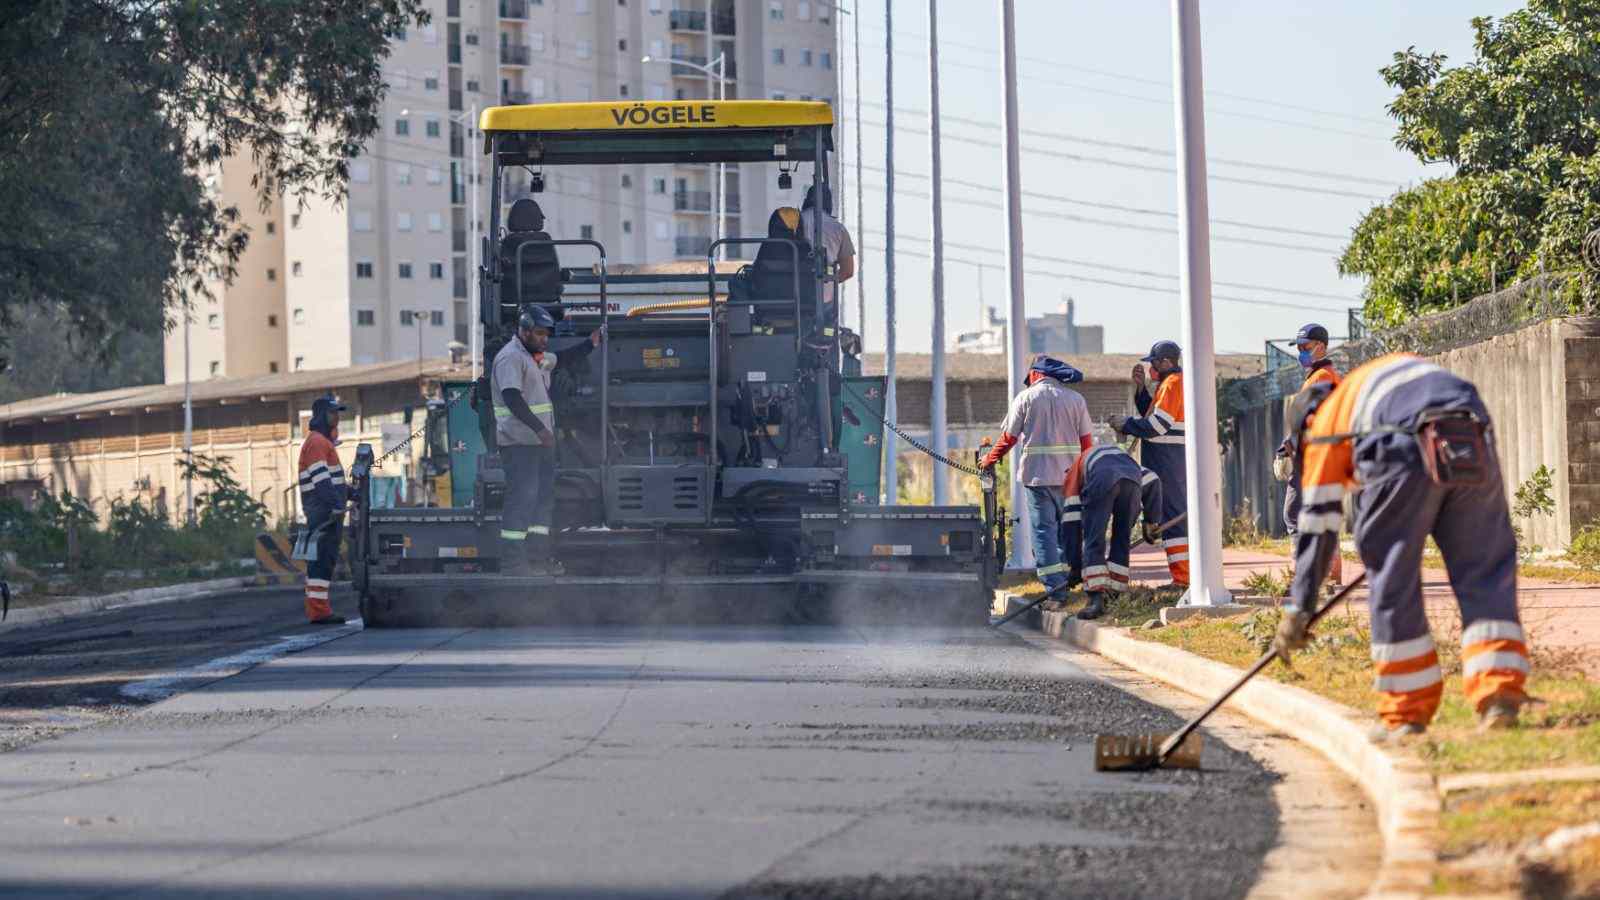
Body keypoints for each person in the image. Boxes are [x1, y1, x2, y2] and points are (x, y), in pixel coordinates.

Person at [1272, 353, 1530, 743]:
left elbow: (1317, 527)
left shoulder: (1324, 425)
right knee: (1485, 568)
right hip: (1469, 425)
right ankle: (1500, 695)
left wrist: (1299, 607)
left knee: (1393, 577)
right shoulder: (1371, 383)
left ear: (1306, 428)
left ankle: (1405, 713)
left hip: (1399, 442)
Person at [491, 305, 602, 576]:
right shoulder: (510, 358)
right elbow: (512, 398)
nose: (545, 339)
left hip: (540, 445)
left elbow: (561, 359)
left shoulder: (535, 357)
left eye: (547, 334)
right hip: (519, 444)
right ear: (524, 331)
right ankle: (513, 564)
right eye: (539, 333)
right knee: (521, 500)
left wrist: (590, 344)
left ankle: (537, 560)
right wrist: (540, 429)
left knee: (542, 500)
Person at [979, 355, 1095, 596]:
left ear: (1035, 374)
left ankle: (1056, 591)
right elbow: (1087, 442)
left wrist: (989, 459)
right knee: (1069, 531)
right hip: (1070, 479)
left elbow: (1009, 438)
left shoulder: (1026, 398)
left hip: (1037, 478)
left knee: (1044, 533)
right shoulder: (1076, 399)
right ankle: (1073, 583)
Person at [1110, 340, 1188, 588]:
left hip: (1168, 459)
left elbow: (1157, 425)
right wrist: (1141, 389)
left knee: (1172, 515)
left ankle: (1183, 578)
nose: (1151, 368)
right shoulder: (1169, 384)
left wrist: (1126, 424)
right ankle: (1183, 576)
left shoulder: (1173, 384)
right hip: (1167, 458)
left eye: (1153, 363)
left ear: (1166, 362)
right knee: (1170, 514)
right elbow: (1153, 414)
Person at [1275, 322, 1344, 593]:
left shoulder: (1321, 377)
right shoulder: (1326, 376)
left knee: (1294, 514)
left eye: (1306, 347)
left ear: (1321, 347)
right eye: (1299, 348)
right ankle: (1329, 573)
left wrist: (1288, 446)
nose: (1301, 352)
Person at [1060, 444, 1164, 621]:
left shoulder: (1073, 477)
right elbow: (1153, 479)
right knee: (1121, 539)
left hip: (1102, 480)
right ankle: (1114, 593)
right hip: (1132, 482)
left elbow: (1071, 526)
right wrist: (1151, 521)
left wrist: (1075, 567)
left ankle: (1096, 599)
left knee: (1094, 539)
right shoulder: (1117, 458)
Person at [297, 394, 349, 625]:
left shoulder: (322, 442)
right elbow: (321, 480)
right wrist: (336, 505)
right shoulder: (317, 442)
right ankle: (319, 612)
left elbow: (332, 481)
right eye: (332, 413)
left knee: (323, 561)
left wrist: (350, 493)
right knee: (321, 561)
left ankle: (319, 610)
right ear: (321, 416)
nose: (336, 417)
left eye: (338, 413)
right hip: (323, 512)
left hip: (324, 510)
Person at [799, 185, 855, 311]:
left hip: (791, 292)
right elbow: (848, 271)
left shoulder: (793, 222)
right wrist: (828, 282)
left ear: (806, 200)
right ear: (829, 203)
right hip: (823, 298)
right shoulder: (838, 229)